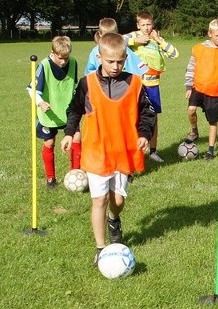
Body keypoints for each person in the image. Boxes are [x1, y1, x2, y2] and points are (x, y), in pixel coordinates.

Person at [61, 33, 156, 265]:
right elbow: (74, 110)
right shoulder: (87, 83)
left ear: (125, 58)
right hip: (96, 152)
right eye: (110, 61)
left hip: (122, 151)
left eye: (120, 61)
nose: (115, 66)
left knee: (118, 201)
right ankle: (101, 248)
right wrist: (68, 132)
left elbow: (147, 112)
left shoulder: (135, 83)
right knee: (98, 200)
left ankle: (114, 219)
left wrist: (144, 134)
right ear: (99, 57)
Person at [125, 11, 179, 163]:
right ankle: (135, 151)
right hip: (137, 86)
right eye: (143, 25)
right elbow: (116, 41)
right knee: (136, 118)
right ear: (138, 25)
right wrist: (135, 42)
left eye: (149, 24)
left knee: (153, 118)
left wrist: (159, 40)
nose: (146, 28)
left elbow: (175, 54)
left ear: (152, 24)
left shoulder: (156, 40)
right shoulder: (133, 36)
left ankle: (153, 151)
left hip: (153, 86)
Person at [26, 36, 80, 188]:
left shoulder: (74, 62)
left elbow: (74, 84)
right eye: (60, 58)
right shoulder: (44, 65)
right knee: (50, 142)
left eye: (66, 58)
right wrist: (40, 102)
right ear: (52, 52)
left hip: (68, 111)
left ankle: (75, 173)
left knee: (77, 138)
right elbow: (31, 89)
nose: (63, 61)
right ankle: (51, 179)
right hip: (49, 113)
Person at [184, 18, 218, 160]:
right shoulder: (198, 48)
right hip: (197, 87)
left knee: (213, 121)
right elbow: (191, 68)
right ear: (209, 34)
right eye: (216, 35)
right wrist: (188, 86)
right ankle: (194, 131)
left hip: (215, 92)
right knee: (191, 109)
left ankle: (210, 150)